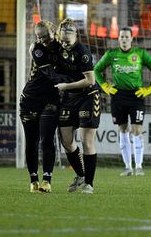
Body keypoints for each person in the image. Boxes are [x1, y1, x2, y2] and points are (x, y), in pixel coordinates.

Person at [94, 27, 151, 176]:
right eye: (121, 37)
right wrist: (105, 86)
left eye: (126, 37)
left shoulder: (140, 53)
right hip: (118, 96)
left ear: (131, 38)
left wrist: (150, 88)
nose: (124, 39)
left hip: (136, 95)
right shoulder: (112, 54)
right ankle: (128, 167)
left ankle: (139, 166)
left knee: (136, 130)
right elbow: (97, 70)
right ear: (118, 39)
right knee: (123, 130)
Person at [54, 18, 100, 194]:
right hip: (69, 98)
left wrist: (65, 86)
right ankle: (80, 174)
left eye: (69, 37)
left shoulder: (82, 51)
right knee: (66, 141)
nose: (65, 41)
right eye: (63, 37)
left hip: (88, 96)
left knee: (86, 141)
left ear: (75, 35)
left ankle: (89, 183)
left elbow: (90, 80)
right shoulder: (57, 49)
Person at [19, 20, 60, 193]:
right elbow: (50, 74)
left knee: (47, 140)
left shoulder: (62, 47)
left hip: (51, 99)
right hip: (31, 98)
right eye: (39, 37)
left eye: (46, 36)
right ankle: (33, 180)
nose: (43, 40)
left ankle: (47, 181)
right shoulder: (36, 48)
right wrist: (72, 82)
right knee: (32, 140)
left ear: (53, 31)